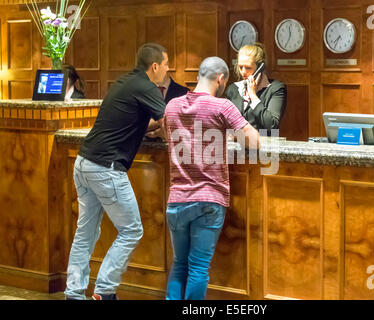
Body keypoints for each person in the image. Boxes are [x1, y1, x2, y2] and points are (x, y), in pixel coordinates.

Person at [64, 43, 169, 300]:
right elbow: (169, 120)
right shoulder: (146, 86)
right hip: (106, 168)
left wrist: (148, 128)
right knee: (132, 230)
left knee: (85, 232)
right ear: (154, 67)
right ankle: (105, 291)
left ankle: (74, 293)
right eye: (166, 66)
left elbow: (128, 122)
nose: (168, 71)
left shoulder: (125, 82)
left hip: (84, 162)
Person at [164, 56, 260, 300]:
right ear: (221, 79)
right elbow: (254, 142)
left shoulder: (172, 106)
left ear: (198, 76)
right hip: (209, 199)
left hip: (177, 199)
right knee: (198, 267)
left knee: (179, 265)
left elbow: (172, 137)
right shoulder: (222, 106)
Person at [225, 43, 287, 133]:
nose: (243, 72)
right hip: (237, 144)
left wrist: (253, 96)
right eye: (240, 67)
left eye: (248, 68)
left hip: (264, 144)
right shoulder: (233, 89)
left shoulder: (275, 89)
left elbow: (272, 125)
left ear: (260, 68)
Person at [146, 73, 190, 139]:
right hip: (143, 143)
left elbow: (185, 124)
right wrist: (169, 119)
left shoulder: (184, 92)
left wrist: (157, 131)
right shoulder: (142, 92)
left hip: (174, 144)